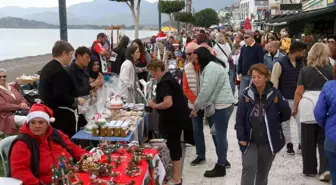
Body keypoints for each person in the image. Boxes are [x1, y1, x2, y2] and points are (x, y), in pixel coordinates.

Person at [235, 63, 291, 185]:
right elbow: (239, 117)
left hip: (269, 140)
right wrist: (241, 136)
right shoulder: (246, 94)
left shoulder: (275, 93)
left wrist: (274, 121)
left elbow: (286, 113)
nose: (255, 80)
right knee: (248, 168)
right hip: (250, 140)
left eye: (259, 77)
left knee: (263, 172)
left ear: (266, 77)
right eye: (253, 77)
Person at [9, 103, 88, 185]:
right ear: (28, 124)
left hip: (70, 175)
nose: (37, 126)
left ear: (47, 124)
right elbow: (20, 171)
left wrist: (83, 154)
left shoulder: (56, 134)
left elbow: (72, 147)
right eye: (32, 122)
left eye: (41, 122)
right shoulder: (22, 143)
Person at [191, 47, 234, 177]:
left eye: (195, 57)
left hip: (222, 105)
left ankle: (221, 166)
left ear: (202, 57)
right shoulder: (213, 65)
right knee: (218, 133)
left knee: (220, 135)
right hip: (223, 103)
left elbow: (206, 90)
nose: (194, 60)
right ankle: (222, 162)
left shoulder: (211, 68)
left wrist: (196, 107)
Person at [292, 43, 332, 181]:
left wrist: (295, 107)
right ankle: (325, 169)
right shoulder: (331, 70)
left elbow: (299, 91)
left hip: (308, 106)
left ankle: (309, 169)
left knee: (307, 140)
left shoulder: (305, 70)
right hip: (325, 105)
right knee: (324, 140)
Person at [147, 59, 189, 185]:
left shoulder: (164, 83)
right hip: (178, 118)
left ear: (158, 70)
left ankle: (176, 178)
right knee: (175, 145)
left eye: (153, 73)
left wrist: (154, 105)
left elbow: (168, 103)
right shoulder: (169, 78)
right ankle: (177, 175)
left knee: (174, 146)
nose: (152, 76)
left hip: (173, 120)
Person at [39, 41, 84, 137]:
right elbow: (60, 94)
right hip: (60, 116)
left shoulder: (46, 68)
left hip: (49, 111)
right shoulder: (59, 71)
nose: (71, 58)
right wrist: (76, 100)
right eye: (70, 54)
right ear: (63, 53)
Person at [182, 43, 216, 166]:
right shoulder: (186, 68)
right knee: (197, 130)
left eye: (191, 53)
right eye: (187, 54)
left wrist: (203, 100)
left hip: (209, 104)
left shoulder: (209, 66)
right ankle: (200, 155)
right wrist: (198, 102)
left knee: (215, 131)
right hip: (194, 105)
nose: (189, 56)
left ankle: (221, 157)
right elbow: (185, 89)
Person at [271, 41, 307, 155]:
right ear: (297, 52)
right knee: (285, 123)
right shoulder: (279, 63)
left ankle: (302, 144)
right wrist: (275, 99)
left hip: (299, 99)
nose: (304, 55)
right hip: (284, 99)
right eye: (303, 53)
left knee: (301, 122)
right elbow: (274, 82)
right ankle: (289, 144)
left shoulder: (302, 63)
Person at [314, 64, 336, 185]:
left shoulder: (329, 86)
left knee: (334, 173)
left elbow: (318, 112)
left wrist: (327, 125)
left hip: (332, 137)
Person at [0, 68, 29, 134]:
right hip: (6, 116)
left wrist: (23, 103)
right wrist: (19, 106)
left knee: (36, 114)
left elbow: (21, 97)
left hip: (19, 111)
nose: (2, 78)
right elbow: (3, 106)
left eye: (4, 76)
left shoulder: (11, 87)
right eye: (0, 77)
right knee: (28, 120)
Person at [238, 31, 264, 97]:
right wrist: (239, 72)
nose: (244, 39)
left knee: (253, 94)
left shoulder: (258, 47)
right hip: (244, 75)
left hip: (254, 76)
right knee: (242, 94)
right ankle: (243, 106)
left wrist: (258, 74)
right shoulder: (243, 47)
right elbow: (240, 60)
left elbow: (261, 61)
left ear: (252, 37)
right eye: (244, 37)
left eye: (246, 37)